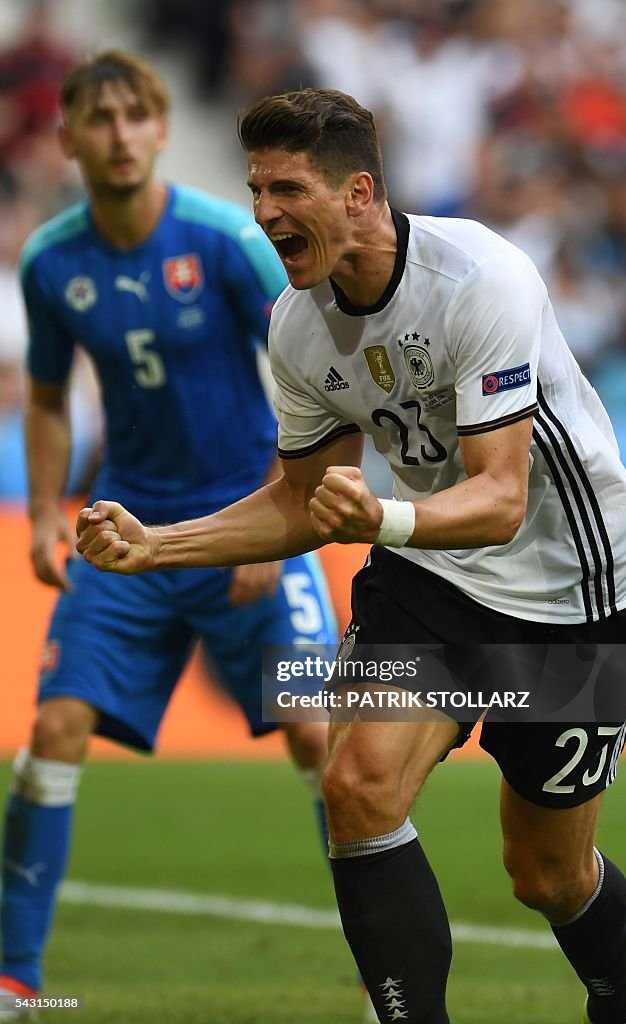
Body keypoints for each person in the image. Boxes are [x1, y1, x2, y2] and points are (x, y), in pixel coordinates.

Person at [75, 86, 626, 1024]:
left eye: (287, 189)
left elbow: (502, 497)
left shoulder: (481, 278)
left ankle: (615, 992)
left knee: (545, 875)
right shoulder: (297, 327)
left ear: (359, 192)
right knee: (355, 789)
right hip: (433, 578)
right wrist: (158, 547)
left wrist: (380, 517)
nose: (264, 212)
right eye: (258, 190)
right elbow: (301, 502)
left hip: (578, 597)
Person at [0, 55, 338, 1019]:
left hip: (249, 516)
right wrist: (41, 514)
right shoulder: (50, 262)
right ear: (66, 140)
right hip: (127, 531)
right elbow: (51, 396)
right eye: (93, 120)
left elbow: (307, 372)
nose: (114, 134)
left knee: (321, 740)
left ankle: (386, 978)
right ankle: (16, 980)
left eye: (132, 116)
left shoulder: (227, 241)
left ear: (158, 130)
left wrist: (274, 521)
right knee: (54, 731)